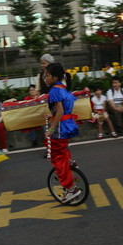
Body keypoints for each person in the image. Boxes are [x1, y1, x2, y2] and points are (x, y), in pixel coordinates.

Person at [44, 62, 81, 203]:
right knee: (61, 149)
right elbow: (62, 109)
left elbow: (60, 111)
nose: (44, 78)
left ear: (54, 77)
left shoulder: (54, 90)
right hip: (68, 126)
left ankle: (70, 189)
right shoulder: (64, 88)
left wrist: (51, 128)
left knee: (57, 158)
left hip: (60, 128)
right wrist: (51, 115)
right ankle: (70, 163)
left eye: (47, 75)